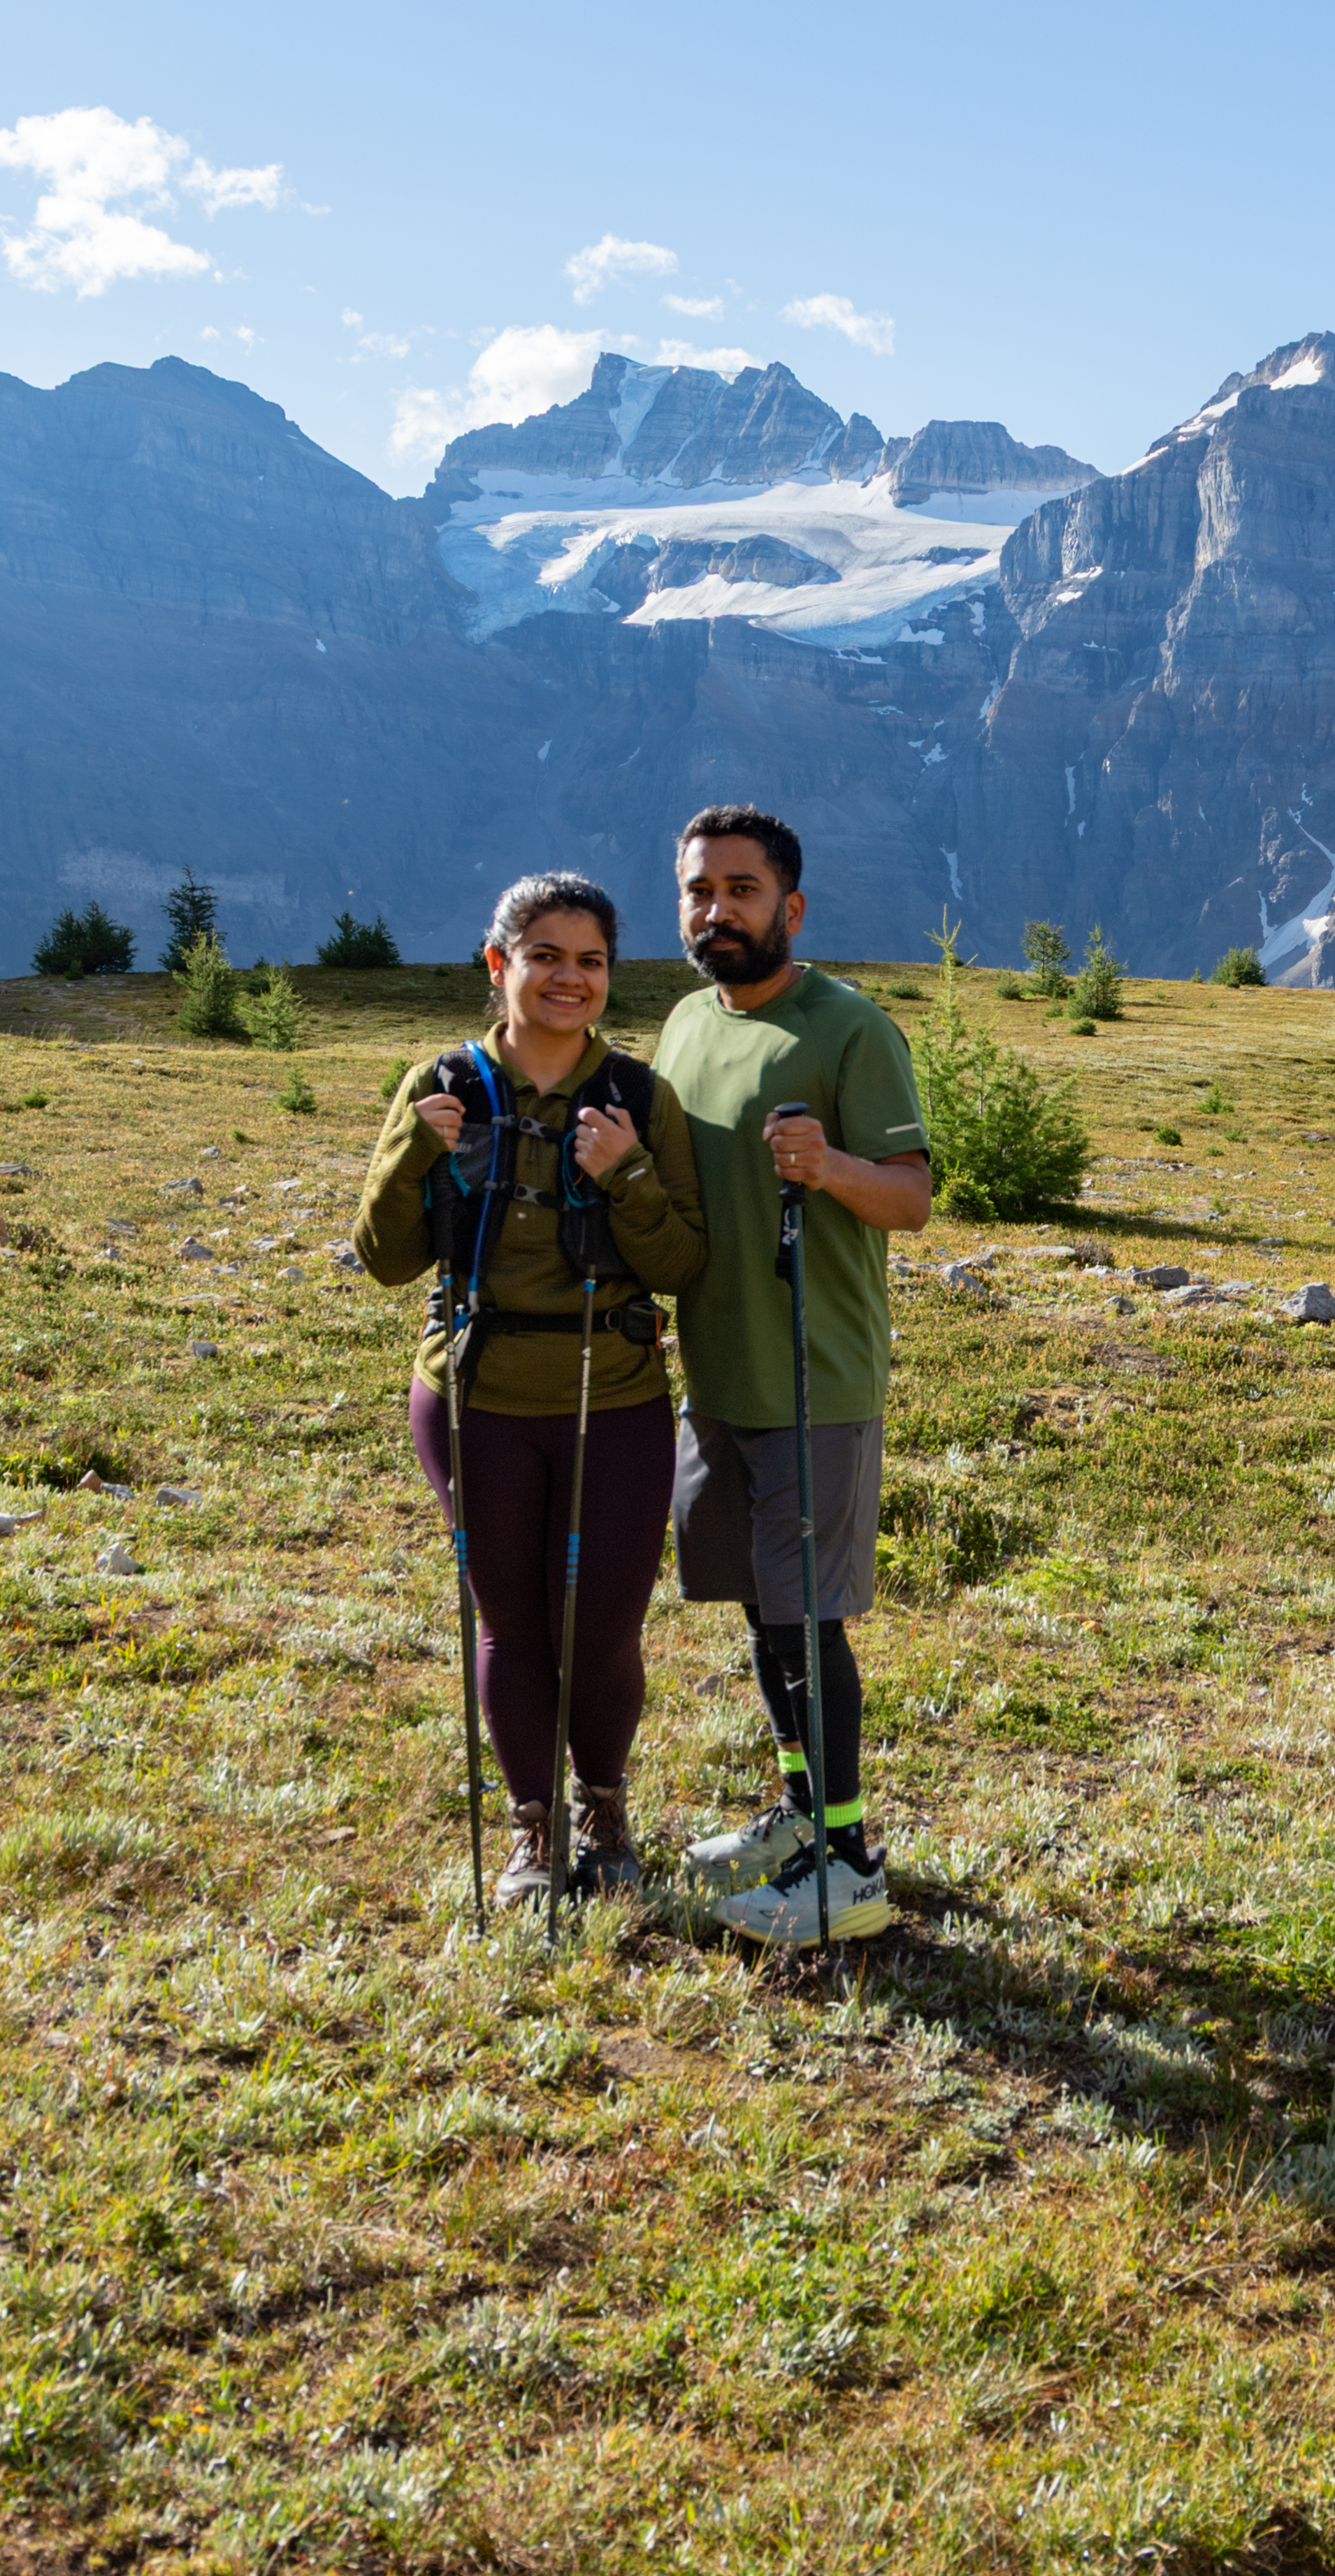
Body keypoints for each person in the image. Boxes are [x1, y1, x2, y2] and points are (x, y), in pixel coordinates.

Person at [353, 873, 706, 1909]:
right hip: (474, 1398)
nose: (570, 978)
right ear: (499, 964)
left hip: (618, 1396)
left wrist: (629, 1176)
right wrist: (416, 1149)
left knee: (601, 1628)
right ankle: (535, 1834)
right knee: (510, 1622)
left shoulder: (642, 1101)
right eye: (545, 956)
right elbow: (381, 1258)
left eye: (590, 960)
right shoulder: (440, 1087)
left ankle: (602, 1805)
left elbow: (687, 1262)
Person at [656, 804, 934, 1945]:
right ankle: (798, 1814)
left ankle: (853, 1861)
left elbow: (910, 1198)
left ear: (793, 907)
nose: (717, 910)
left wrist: (830, 1167)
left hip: (817, 1379)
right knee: (766, 1614)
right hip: (713, 1375)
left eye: (742, 889)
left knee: (810, 1623)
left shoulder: (849, 1030)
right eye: (699, 890)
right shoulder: (681, 1023)